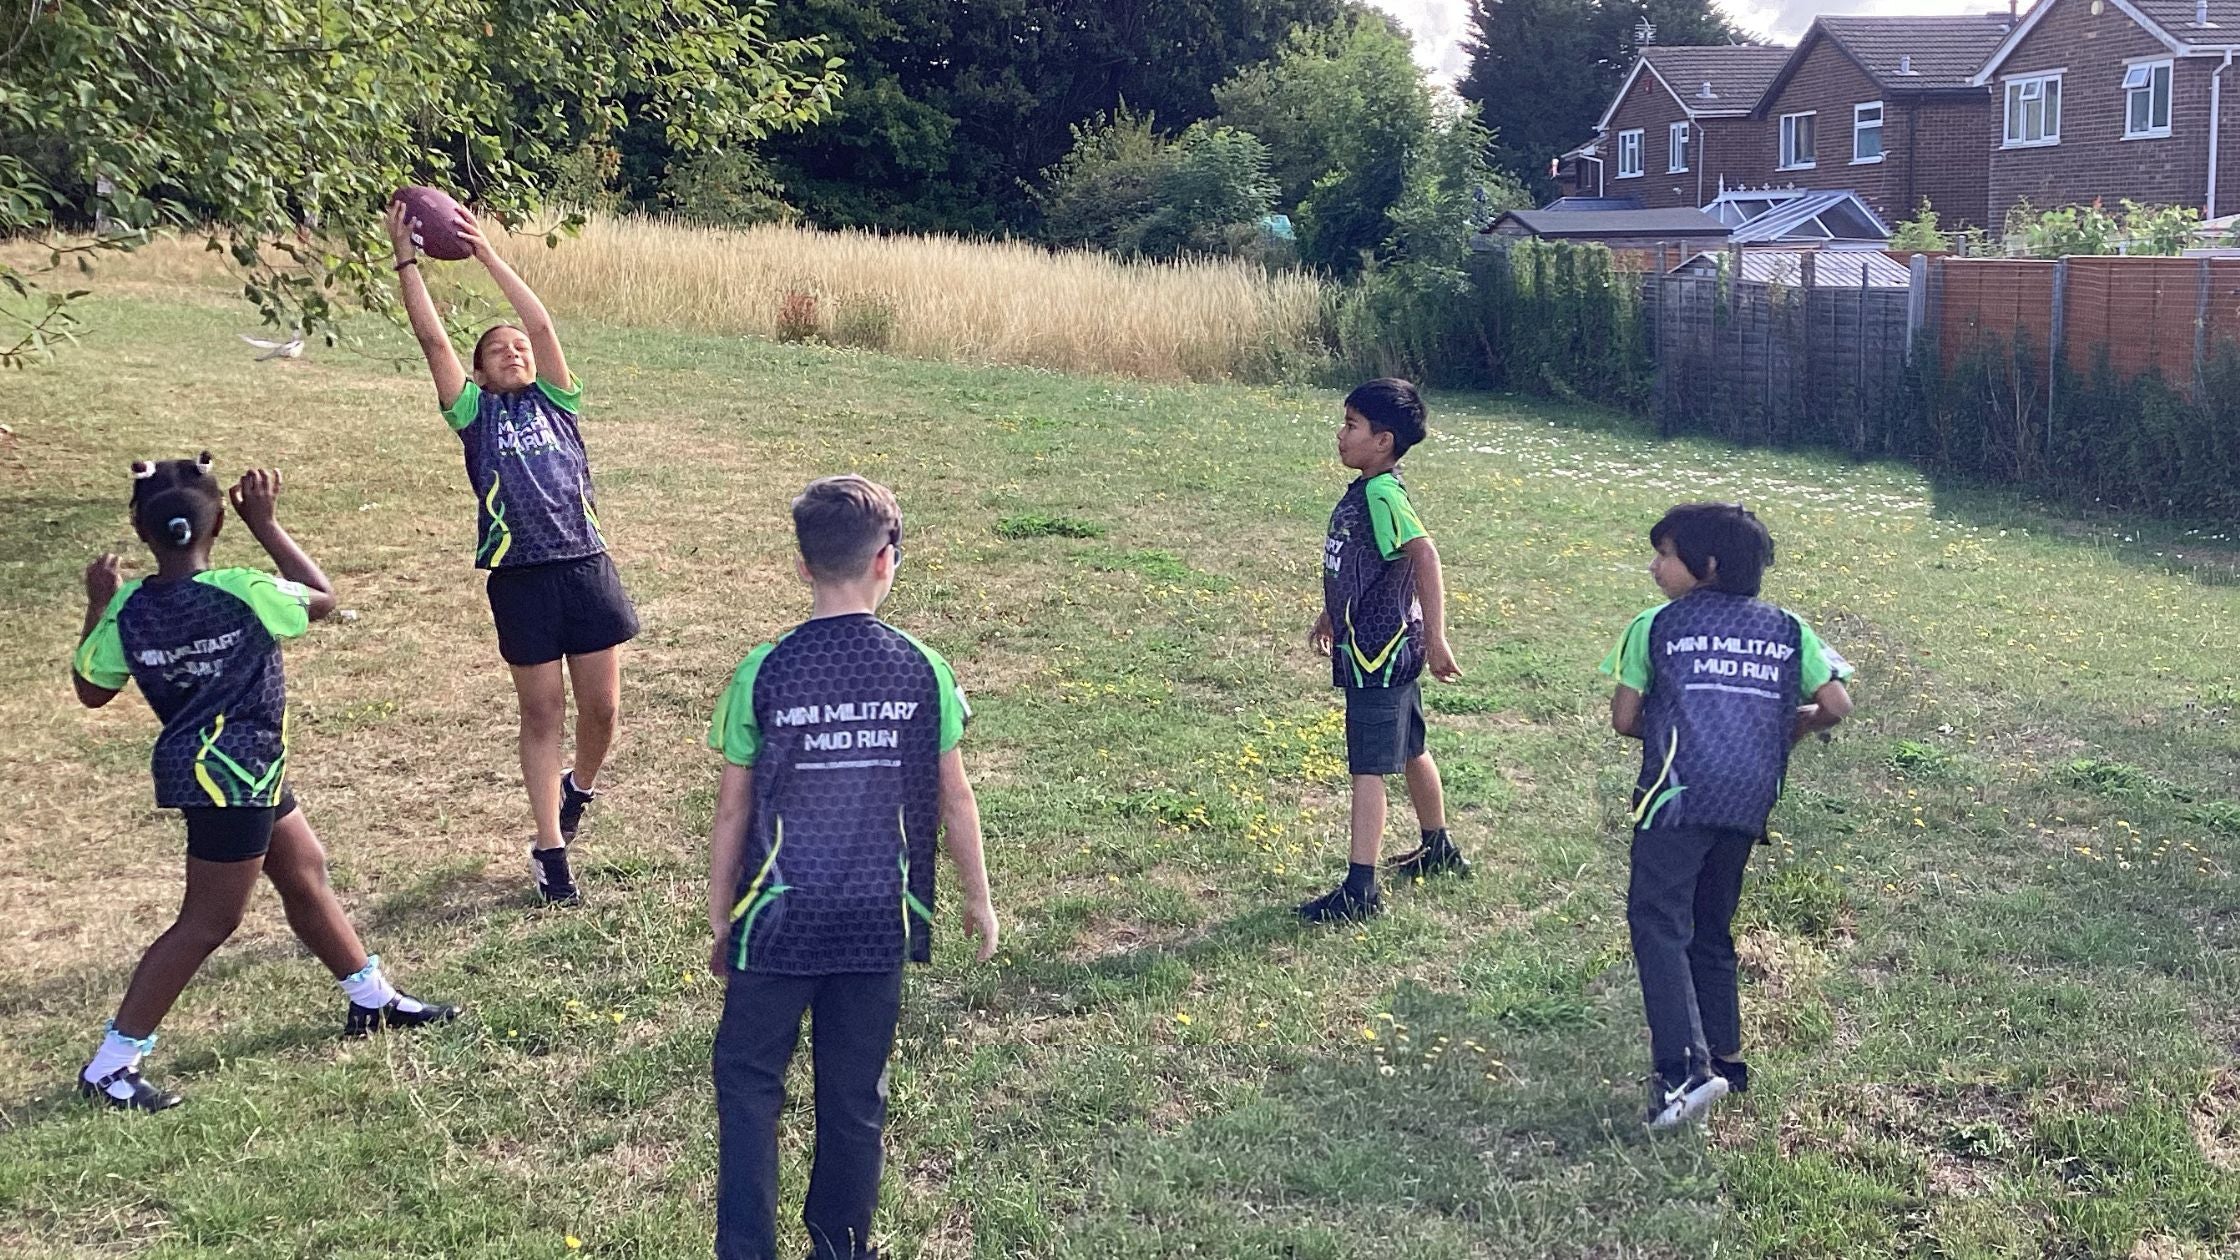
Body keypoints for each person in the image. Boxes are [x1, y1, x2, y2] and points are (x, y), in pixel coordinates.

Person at [70, 455, 458, 1112]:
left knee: (304, 871)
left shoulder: (130, 606)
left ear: (140, 530)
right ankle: (112, 1063)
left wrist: (99, 604)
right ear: (220, 521)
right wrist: (269, 526)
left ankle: (371, 999)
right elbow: (323, 598)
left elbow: (91, 689)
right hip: (234, 772)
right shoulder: (244, 588)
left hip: (226, 767)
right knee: (208, 920)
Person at [704, 475, 998, 1260]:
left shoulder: (763, 670)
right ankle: (841, 1247)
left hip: (776, 917)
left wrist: (721, 916)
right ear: (885, 561)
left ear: (803, 565)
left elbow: (732, 812)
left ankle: (745, 1248)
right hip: (875, 916)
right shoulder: (922, 668)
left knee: (747, 1083)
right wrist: (978, 898)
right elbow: (955, 799)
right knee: (854, 1094)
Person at [388, 200, 638, 905]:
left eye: (519, 347)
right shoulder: (475, 416)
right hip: (520, 579)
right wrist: (407, 261)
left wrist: (487, 254)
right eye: (498, 350)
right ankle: (550, 851)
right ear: (478, 372)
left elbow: (542, 324)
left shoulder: (559, 401)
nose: (515, 350)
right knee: (542, 714)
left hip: (585, 565)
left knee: (603, 712)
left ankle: (578, 788)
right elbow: (433, 342)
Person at [1600, 502, 1853, 1130]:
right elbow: (1837, 703)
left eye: (1665, 555)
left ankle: (1682, 1073)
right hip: (1747, 796)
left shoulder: (1655, 625)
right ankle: (1726, 1059)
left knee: (1658, 922)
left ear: (1707, 564)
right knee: (1710, 923)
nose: (1655, 567)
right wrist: (1788, 726)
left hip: (1676, 794)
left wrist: (1682, 727)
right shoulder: (1789, 627)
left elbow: (1625, 718)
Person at [1301, 378, 1465, 923]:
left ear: (1383, 440)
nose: (1340, 434)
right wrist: (1333, 611)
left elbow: (1424, 555)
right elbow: (1364, 563)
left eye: (1351, 425)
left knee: (1368, 768)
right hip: (1381, 645)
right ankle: (1438, 846)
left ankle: (1361, 889)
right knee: (1411, 746)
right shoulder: (1369, 489)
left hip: (1379, 653)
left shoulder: (1382, 494)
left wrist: (1437, 637)